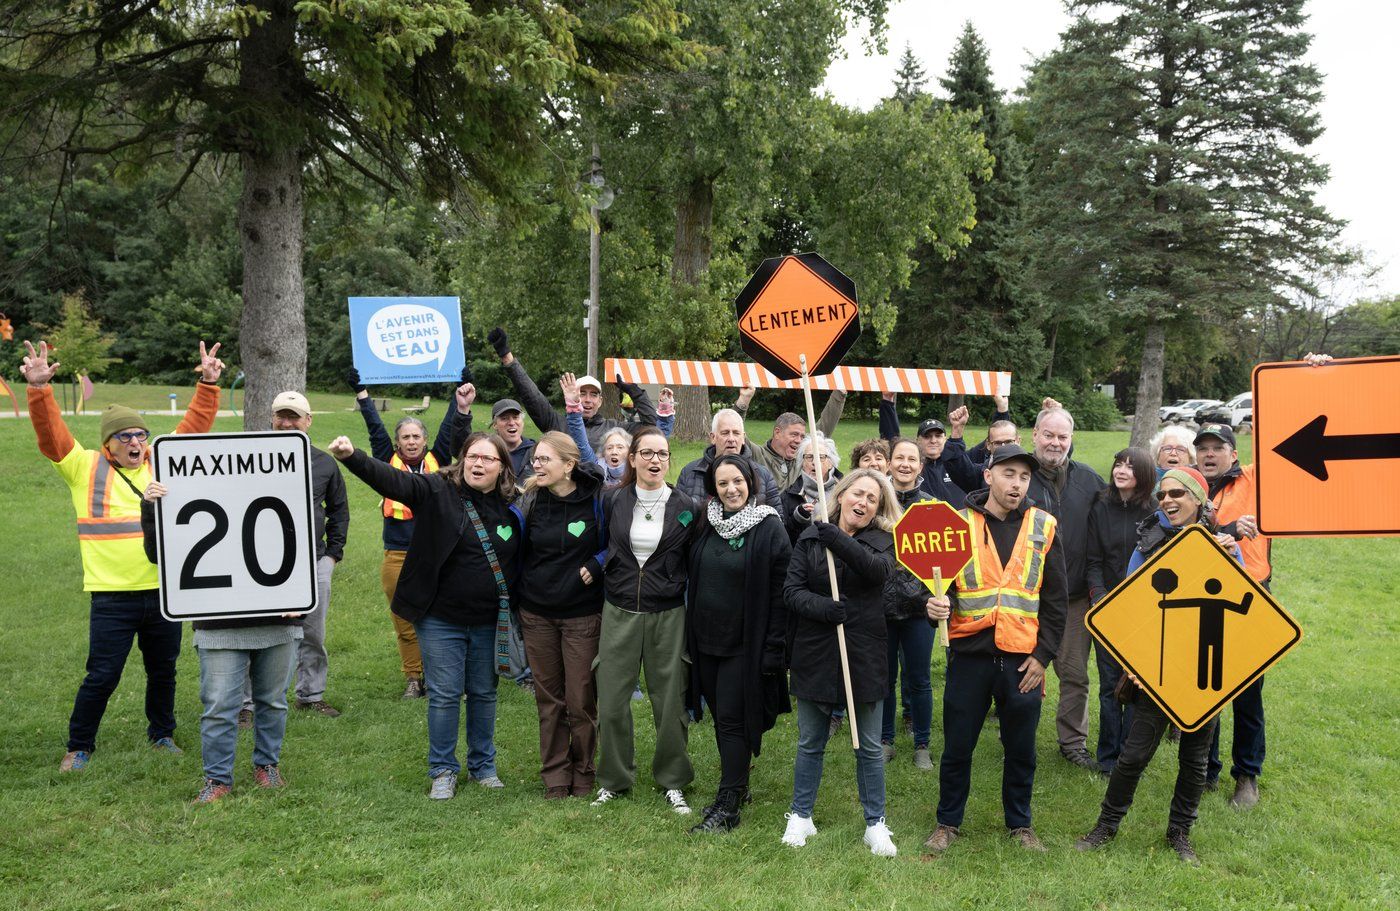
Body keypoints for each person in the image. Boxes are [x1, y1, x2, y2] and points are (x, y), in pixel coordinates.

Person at [21, 338, 224, 772]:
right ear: (109, 444)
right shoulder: (85, 467)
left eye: (140, 434)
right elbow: (52, 437)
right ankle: (79, 746)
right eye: (125, 436)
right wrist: (39, 391)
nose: (135, 441)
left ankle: (162, 734)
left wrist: (208, 384)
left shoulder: (162, 461)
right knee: (102, 675)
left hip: (163, 592)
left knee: (164, 671)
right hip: (111, 597)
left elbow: (192, 430)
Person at [328, 431, 522, 798]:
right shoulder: (436, 490)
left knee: (483, 692)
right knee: (446, 693)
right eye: (472, 457)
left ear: (502, 467)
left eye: (487, 459)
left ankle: (483, 766)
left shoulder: (513, 504)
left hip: (488, 619)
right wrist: (353, 456)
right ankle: (443, 770)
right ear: (462, 459)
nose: (478, 464)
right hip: (439, 617)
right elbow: (393, 480)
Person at [1075, 466, 1242, 864]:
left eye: (1177, 495)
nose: (1167, 501)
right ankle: (1106, 826)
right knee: (1133, 755)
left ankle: (1180, 833)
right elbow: (1133, 611)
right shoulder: (1147, 544)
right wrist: (1137, 663)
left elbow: (1245, 613)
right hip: (1159, 669)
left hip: (1205, 671)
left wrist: (1230, 557)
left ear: (1199, 501)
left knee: (1195, 759)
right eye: (1163, 495)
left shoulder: (1223, 545)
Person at [921, 444, 1068, 857]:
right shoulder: (958, 523)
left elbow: (1057, 599)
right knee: (957, 746)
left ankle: (1020, 824)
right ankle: (947, 822)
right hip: (969, 656)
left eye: (1024, 477)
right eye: (1008, 474)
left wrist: (1044, 657)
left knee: (1021, 748)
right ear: (988, 476)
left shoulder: (1045, 526)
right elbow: (936, 585)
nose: (1017, 484)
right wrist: (931, 603)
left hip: (1024, 662)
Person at [139, 481, 300, 803]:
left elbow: (305, 542)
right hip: (218, 622)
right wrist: (150, 508)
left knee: (273, 701)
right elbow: (160, 555)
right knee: (219, 706)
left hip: (277, 619)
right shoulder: (192, 494)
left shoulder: (284, 489)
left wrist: (299, 588)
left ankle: (267, 766)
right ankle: (217, 778)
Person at [780, 469, 900, 857]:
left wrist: (837, 538)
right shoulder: (811, 537)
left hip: (864, 653)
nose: (862, 503)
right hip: (815, 651)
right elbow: (792, 592)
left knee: (867, 744)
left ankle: (875, 823)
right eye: (857, 494)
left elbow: (877, 572)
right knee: (810, 741)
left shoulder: (883, 541)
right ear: (842, 494)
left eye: (872, 499)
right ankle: (801, 815)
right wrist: (825, 608)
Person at [591, 426, 698, 814]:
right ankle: (615, 780)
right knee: (612, 701)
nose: (655, 460)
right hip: (619, 610)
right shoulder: (612, 500)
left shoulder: (687, 506)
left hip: (667, 613)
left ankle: (673, 780)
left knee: (669, 702)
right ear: (632, 458)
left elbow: (694, 559)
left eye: (662, 454)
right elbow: (602, 545)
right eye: (647, 453)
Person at [684, 455, 792, 833]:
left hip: (744, 644)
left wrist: (774, 649)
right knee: (720, 717)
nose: (731, 490)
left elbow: (781, 595)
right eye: (723, 483)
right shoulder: (705, 522)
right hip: (705, 640)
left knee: (732, 720)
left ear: (751, 482)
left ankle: (728, 804)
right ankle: (738, 783)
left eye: (738, 482)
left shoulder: (769, 528)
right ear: (714, 487)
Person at [346, 367, 467, 699]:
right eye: (405, 437)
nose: (411, 442)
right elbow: (374, 428)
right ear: (397, 443)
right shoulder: (387, 462)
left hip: (438, 554)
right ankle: (414, 677)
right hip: (398, 553)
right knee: (404, 618)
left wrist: (459, 390)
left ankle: (443, 673)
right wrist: (362, 394)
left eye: (416, 437)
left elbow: (448, 428)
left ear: (424, 441)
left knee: (441, 619)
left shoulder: (439, 459)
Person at [513, 431, 608, 799]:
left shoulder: (597, 501)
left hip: (582, 616)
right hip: (537, 615)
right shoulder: (529, 501)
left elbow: (617, 543)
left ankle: (583, 771)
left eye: (545, 460)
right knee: (549, 700)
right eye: (535, 460)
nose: (536, 466)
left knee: (581, 700)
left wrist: (599, 562)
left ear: (568, 465)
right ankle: (555, 774)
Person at [248, 391, 348, 720]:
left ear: (308, 421)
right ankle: (246, 704)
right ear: (272, 419)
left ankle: (310, 694)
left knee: (312, 632)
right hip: (260, 563)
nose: (287, 423)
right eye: (282, 416)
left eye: (295, 417)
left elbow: (339, 511)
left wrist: (331, 557)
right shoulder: (251, 456)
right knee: (256, 631)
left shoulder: (323, 463)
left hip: (312, 561)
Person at [1194, 418, 1274, 806]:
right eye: (1203, 448)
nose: (1209, 454)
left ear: (1234, 453)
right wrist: (1225, 526)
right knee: (1205, 685)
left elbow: (1284, 452)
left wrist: (1314, 376)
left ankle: (1246, 776)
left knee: (1247, 691)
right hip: (1203, 596)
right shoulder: (1191, 486)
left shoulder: (1255, 480)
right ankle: (1205, 770)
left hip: (1250, 593)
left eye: (1217, 448)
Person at [1026, 404, 1106, 771]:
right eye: (1049, 435)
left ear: (1071, 439)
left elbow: (1122, 517)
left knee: (1074, 672)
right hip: (1023, 598)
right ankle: (1017, 734)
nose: (1055, 443)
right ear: (1035, 436)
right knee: (1020, 669)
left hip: (1073, 599)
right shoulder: (1019, 475)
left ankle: (1072, 742)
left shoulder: (1090, 481)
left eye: (1062, 437)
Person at [1085, 447, 1156, 773]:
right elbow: (1094, 559)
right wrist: (1099, 594)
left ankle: (1131, 755)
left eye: (1130, 466)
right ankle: (1108, 757)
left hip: (1145, 610)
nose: (1121, 470)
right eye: (1118, 464)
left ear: (1143, 474)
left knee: (1138, 684)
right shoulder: (1100, 506)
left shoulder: (1156, 512)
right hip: (1108, 607)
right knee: (1109, 685)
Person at [486, 326, 657, 451]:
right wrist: (507, 358)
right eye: (582, 393)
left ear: (600, 401)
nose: (587, 400)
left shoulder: (615, 429)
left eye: (593, 395)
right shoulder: (557, 424)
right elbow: (532, 396)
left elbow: (651, 426)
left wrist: (634, 391)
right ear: (571, 397)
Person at [878, 437, 939, 770]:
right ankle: (885, 739)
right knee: (884, 678)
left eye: (911, 459)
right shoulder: (876, 502)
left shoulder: (930, 505)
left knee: (919, 679)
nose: (904, 464)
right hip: (881, 607)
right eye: (899, 458)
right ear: (889, 463)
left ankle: (922, 744)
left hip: (918, 607)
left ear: (920, 465)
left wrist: (933, 598)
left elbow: (942, 562)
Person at [735, 384, 847, 492]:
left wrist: (839, 394)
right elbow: (735, 433)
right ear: (777, 432)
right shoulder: (758, 454)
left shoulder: (804, 457)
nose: (799, 440)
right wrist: (743, 401)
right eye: (794, 435)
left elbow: (824, 426)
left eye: (802, 436)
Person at [675, 408, 782, 509]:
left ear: (743, 438)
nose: (731, 439)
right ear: (713, 437)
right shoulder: (690, 472)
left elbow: (777, 521)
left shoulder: (763, 475)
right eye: (725, 433)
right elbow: (679, 516)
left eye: (736, 433)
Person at [876, 394, 968, 507]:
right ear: (917, 440)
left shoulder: (959, 464)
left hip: (956, 523)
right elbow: (891, 438)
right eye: (927, 436)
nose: (933, 440)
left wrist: (958, 429)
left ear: (945, 439)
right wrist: (887, 401)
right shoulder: (912, 467)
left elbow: (993, 443)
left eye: (938, 436)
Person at [780, 435, 841, 543]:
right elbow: (783, 537)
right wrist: (797, 519)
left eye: (821, 457)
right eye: (809, 457)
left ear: (830, 463)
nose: (815, 462)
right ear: (802, 463)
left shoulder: (844, 491)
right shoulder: (789, 496)